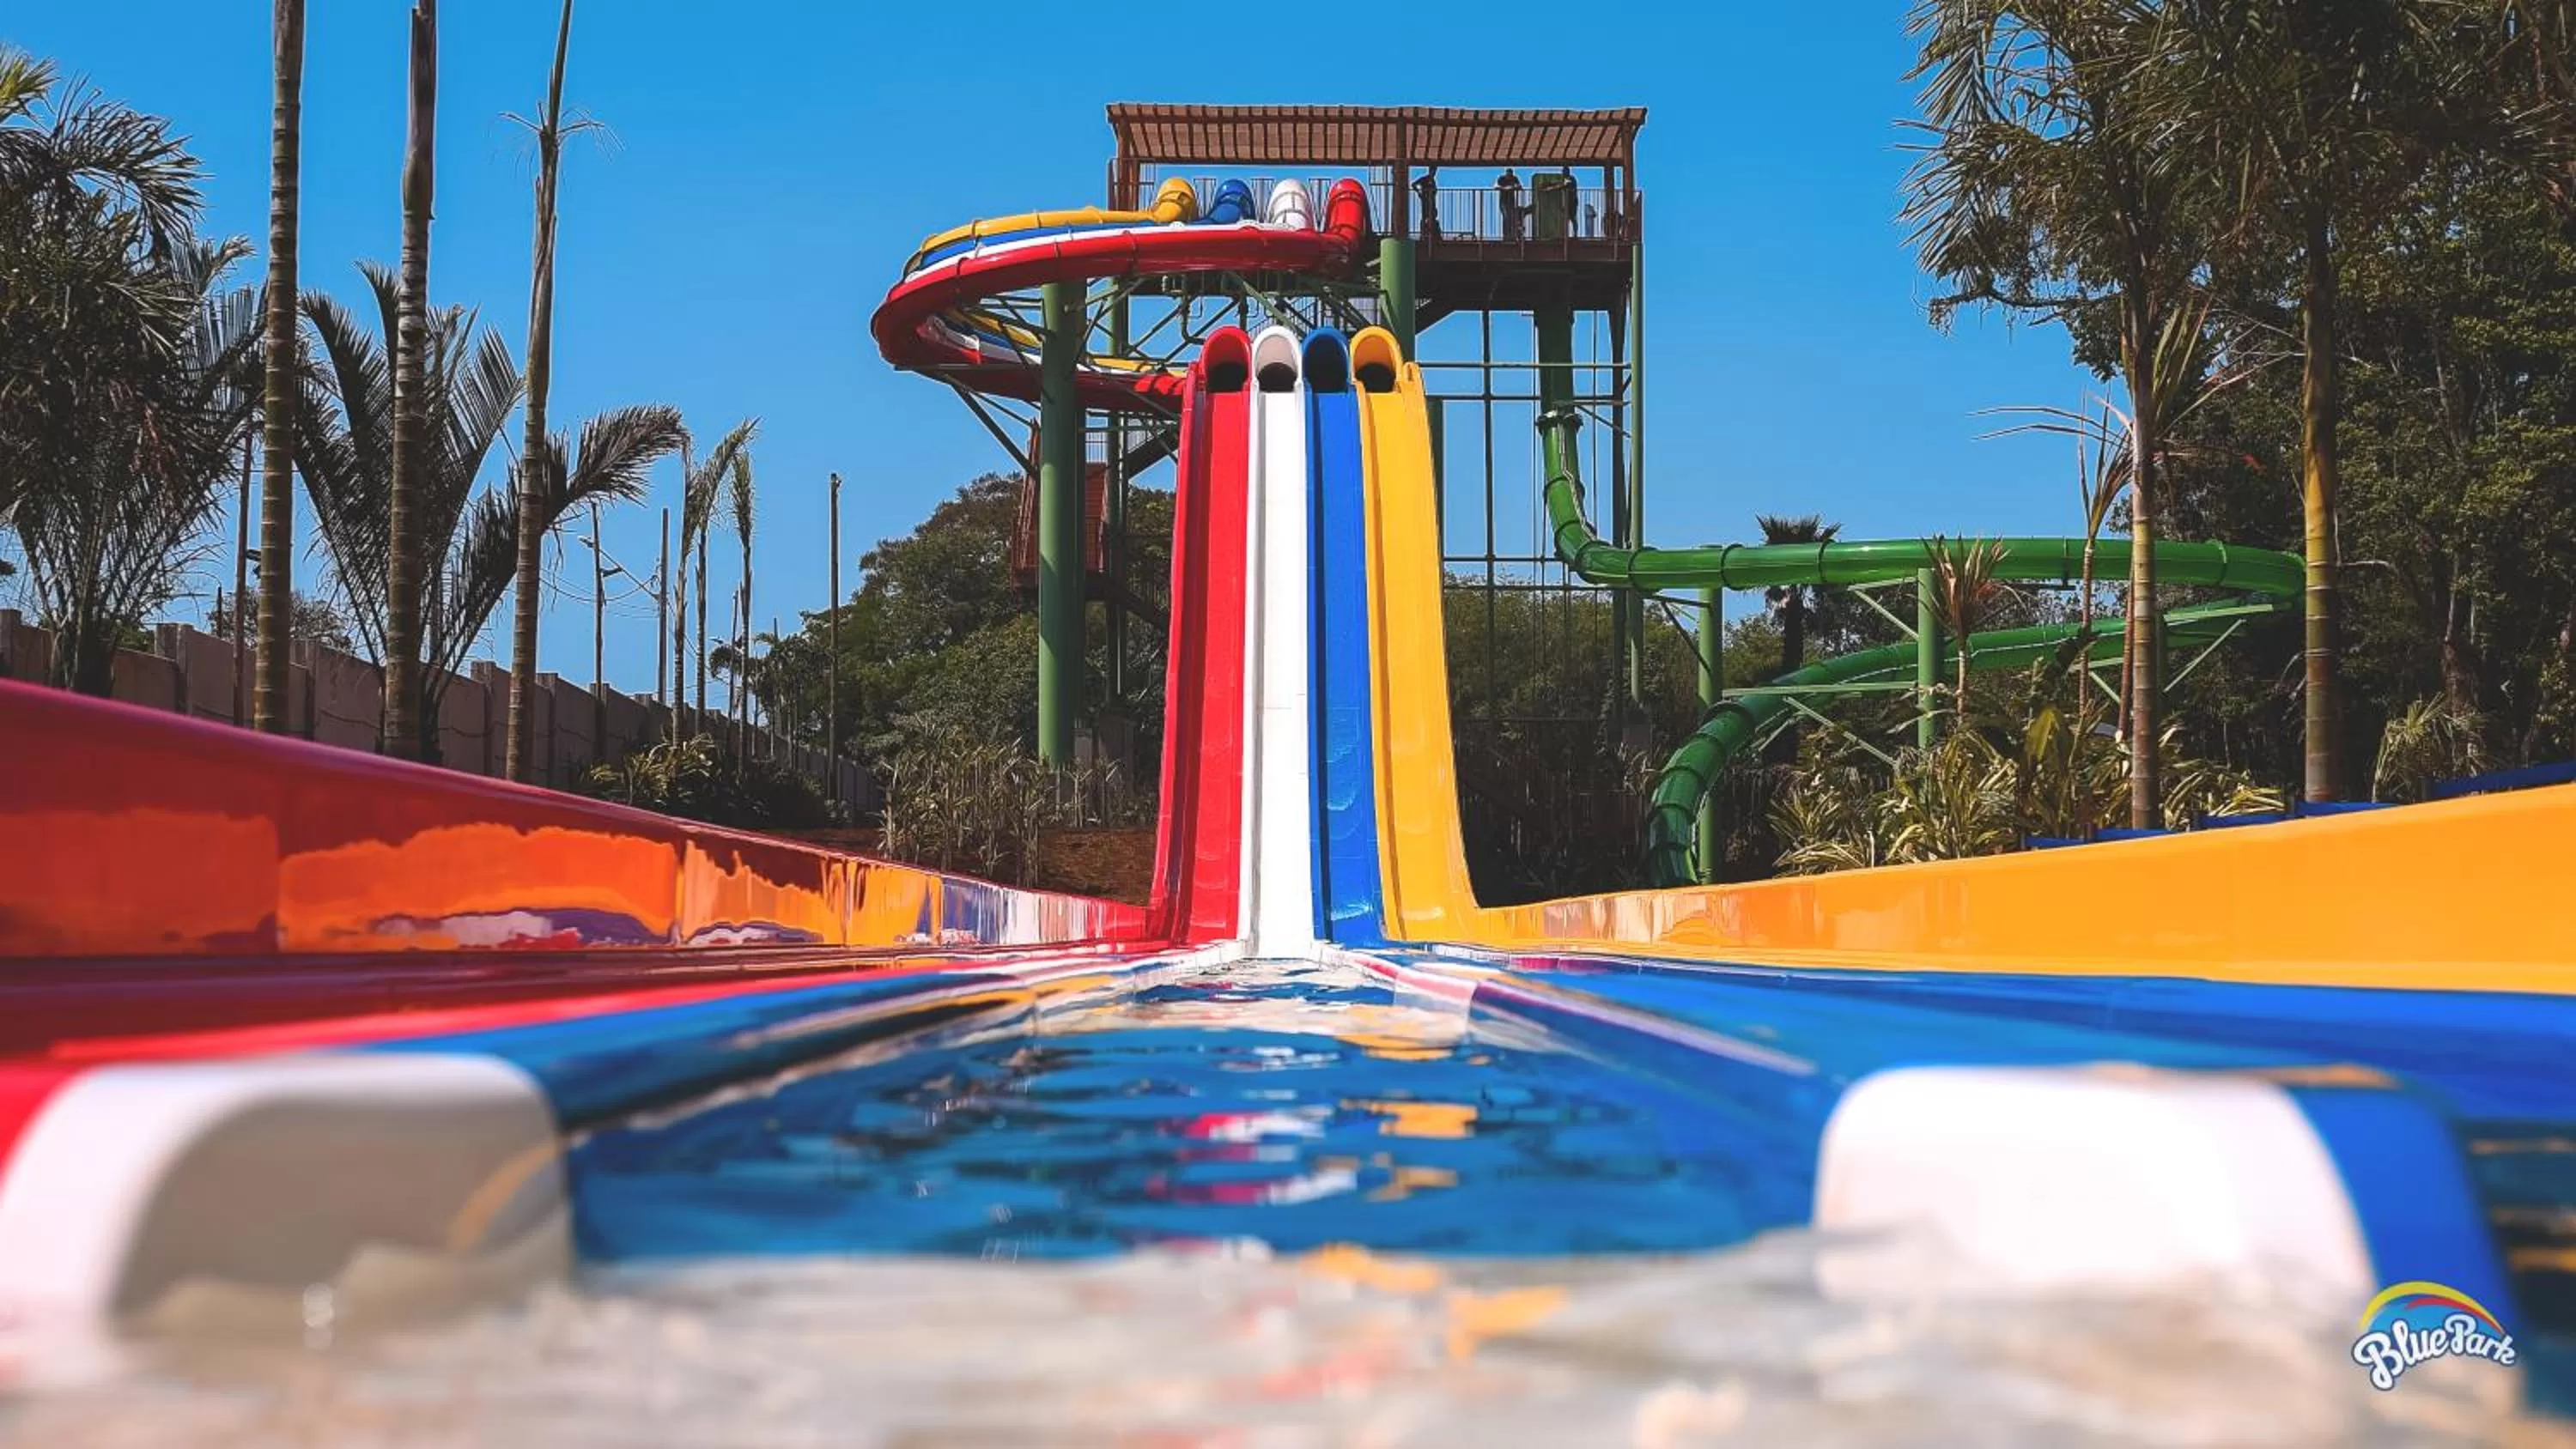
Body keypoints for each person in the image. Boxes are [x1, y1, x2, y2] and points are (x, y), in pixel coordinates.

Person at [1413, 167, 1441, 240]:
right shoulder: (1424, 179)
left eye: (1435, 172)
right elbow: (1413, 184)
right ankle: (1423, 234)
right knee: (1425, 216)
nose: (1434, 173)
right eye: (1433, 171)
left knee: (1432, 216)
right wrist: (1419, 192)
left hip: (1432, 201)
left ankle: (1431, 234)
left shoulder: (1433, 180)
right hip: (1425, 201)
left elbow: (1434, 191)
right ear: (1430, 171)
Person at [1498, 167, 1524, 241]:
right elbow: (1496, 186)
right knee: (1506, 217)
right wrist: (1506, 188)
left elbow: (1520, 186)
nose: (1509, 177)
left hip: (1511, 201)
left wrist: (1515, 187)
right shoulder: (1501, 178)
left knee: (1512, 217)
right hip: (1503, 201)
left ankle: (1512, 235)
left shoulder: (1514, 178)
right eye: (1508, 175)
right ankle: (1506, 235)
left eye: (1510, 175)